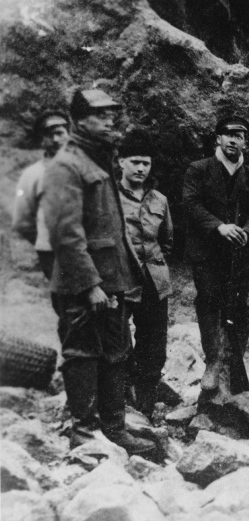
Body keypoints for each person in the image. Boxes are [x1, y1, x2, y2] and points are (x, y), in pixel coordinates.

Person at [41, 89, 155, 455]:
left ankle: (114, 427)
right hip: (82, 283)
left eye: (113, 113)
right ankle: (85, 431)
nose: (110, 120)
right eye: (100, 114)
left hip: (111, 281)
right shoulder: (66, 165)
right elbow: (66, 233)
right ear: (79, 119)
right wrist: (90, 285)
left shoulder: (98, 159)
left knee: (115, 352)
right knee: (82, 353)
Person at [183, 115, 249, 405]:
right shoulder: (199, 169)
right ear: (217, 139)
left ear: (246, 141)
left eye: (240, 135)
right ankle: (212, 362)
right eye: (228, 134)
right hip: (208, 254)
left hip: (240, 256)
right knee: (208, 302)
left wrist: (247, 232)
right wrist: (219, 227)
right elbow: (190, 205)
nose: (234, 140)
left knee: (239, 309)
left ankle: (235, 367)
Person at [117, 129, 173, 417]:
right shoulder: (110, 197)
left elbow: (167, 242)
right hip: (121, 281)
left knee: (154, 347)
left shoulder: (159, 200)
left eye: (146, 163)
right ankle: (121, 403)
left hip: (154, 283)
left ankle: (146, 407)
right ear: (121, 162)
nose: (140, 168)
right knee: (118, 343)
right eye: (135, 161)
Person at [12, 110, 71, 279]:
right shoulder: (32, 174)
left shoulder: (84, 167)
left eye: (60, 133)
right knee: (65, 300)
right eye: (49, 135)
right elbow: (22, 220)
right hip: (52, 253)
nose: (56, 140)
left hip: (86, 248)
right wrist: (45, 240)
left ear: (69, 134)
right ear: (41, 140)